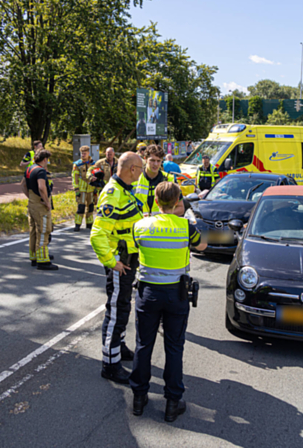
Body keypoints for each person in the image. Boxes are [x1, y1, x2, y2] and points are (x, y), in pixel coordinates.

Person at [130, 181, 207, 422]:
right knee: (174, 346)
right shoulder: (185, 227)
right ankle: (173, 402)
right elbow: (203, 246)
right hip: (176, 294)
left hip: (148, 293)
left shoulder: (141, 225)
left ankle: (139, 398)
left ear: (155, 200)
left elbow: (134, 246)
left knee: (144, 344)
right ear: (178, 203)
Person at [90, 152, 145, 384]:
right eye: (140, 168)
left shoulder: (125, 191)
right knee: (115, 313)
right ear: (132, 169)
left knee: (123, 307)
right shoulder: (113, 194)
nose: (142, 172)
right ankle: (110, 365)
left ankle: (119, 346)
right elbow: (97, 234)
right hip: (119, 263)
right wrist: (112, 261)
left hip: (128, 261)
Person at [22, 150, 58, 270]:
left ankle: (34, 256)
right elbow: (42, 187)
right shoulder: (41, 171)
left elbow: (23, 185)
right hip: (40, 205)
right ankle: (43, 260)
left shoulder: (29, 169)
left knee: (33, 230)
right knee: (43, 230)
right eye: (47, 160)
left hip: (31, 203)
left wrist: (30, 197)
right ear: (44, 159)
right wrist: (47, 203)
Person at [135, 144, 185, 217]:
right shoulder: (136, 178)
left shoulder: (170, 179)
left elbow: (181, 209)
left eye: (158, 161)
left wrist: (160, 215)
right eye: (152, 160)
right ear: (145, 159)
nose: (155, 164)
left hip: (162, 225)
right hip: (141, 225)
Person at [72, 145, 96, 231]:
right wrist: (76, 188)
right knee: (81, 207)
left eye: (85, 153)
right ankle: (77, 224)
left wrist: (96, 187)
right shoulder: (77, 164)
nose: (83, 154)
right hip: (81, 189)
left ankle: (89, 224)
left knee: (90, 207)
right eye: (82, 153)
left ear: (88, 153)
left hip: (90, 189)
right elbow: (74, 177)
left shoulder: (93, 163)